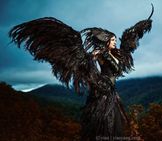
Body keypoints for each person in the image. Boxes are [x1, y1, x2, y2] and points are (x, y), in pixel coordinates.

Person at [9, 4, 154, 141]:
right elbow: (90, 64)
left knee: (114, 126)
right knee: (104, 125)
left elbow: (126, 47)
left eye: (116, 39)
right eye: (112, 39)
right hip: (101, 92)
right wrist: (92, 61)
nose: (115, 41)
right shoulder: (101, 54)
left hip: (111, 93)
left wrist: (135, 30)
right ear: (106, 41)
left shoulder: (117, 54)